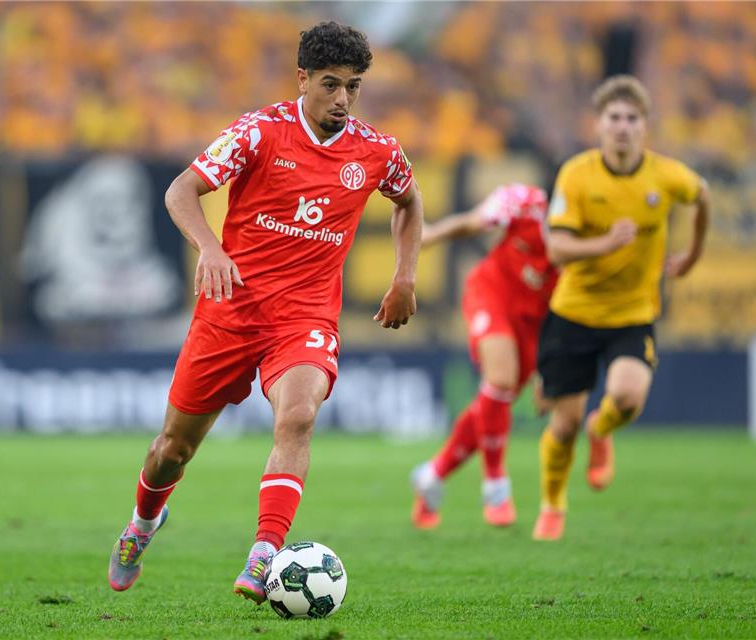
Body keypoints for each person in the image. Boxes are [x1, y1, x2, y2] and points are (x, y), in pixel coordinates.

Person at [107, 22, 423, 603]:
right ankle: (142, 525)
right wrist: (210, 248)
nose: (343, 99)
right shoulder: (259, 132)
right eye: (331, 84)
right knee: (172, 449)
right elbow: (180, 190)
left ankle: (264, 554)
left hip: (305, 317)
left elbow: (408, 200)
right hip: (230, 311)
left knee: (298, 417)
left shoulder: (377, 151)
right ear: (303, 78)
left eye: (353, 87)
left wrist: (404, 276)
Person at [532, 75, 711, 541]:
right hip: (574, 313)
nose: (623, 126)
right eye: (614, 117)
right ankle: (552, 505)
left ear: (644, 126)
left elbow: (702, 195)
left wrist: (693, 255)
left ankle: (602, 428)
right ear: (599, 124)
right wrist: (606, 243)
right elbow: (556, 249)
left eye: (632, 118)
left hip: (633, 313)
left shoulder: (666, 176)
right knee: (563, 426)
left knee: (628, 398)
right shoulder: (577, 174)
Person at [410, 184, 557, 529]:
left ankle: (431, 476)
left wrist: (548, 370)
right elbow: (474, 222)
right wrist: (431, 236)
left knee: (493, 403)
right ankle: (495, 486)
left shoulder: (593, 242)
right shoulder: (526, 203)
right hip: (491, 295)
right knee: (500, 381)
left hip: (533, 323)